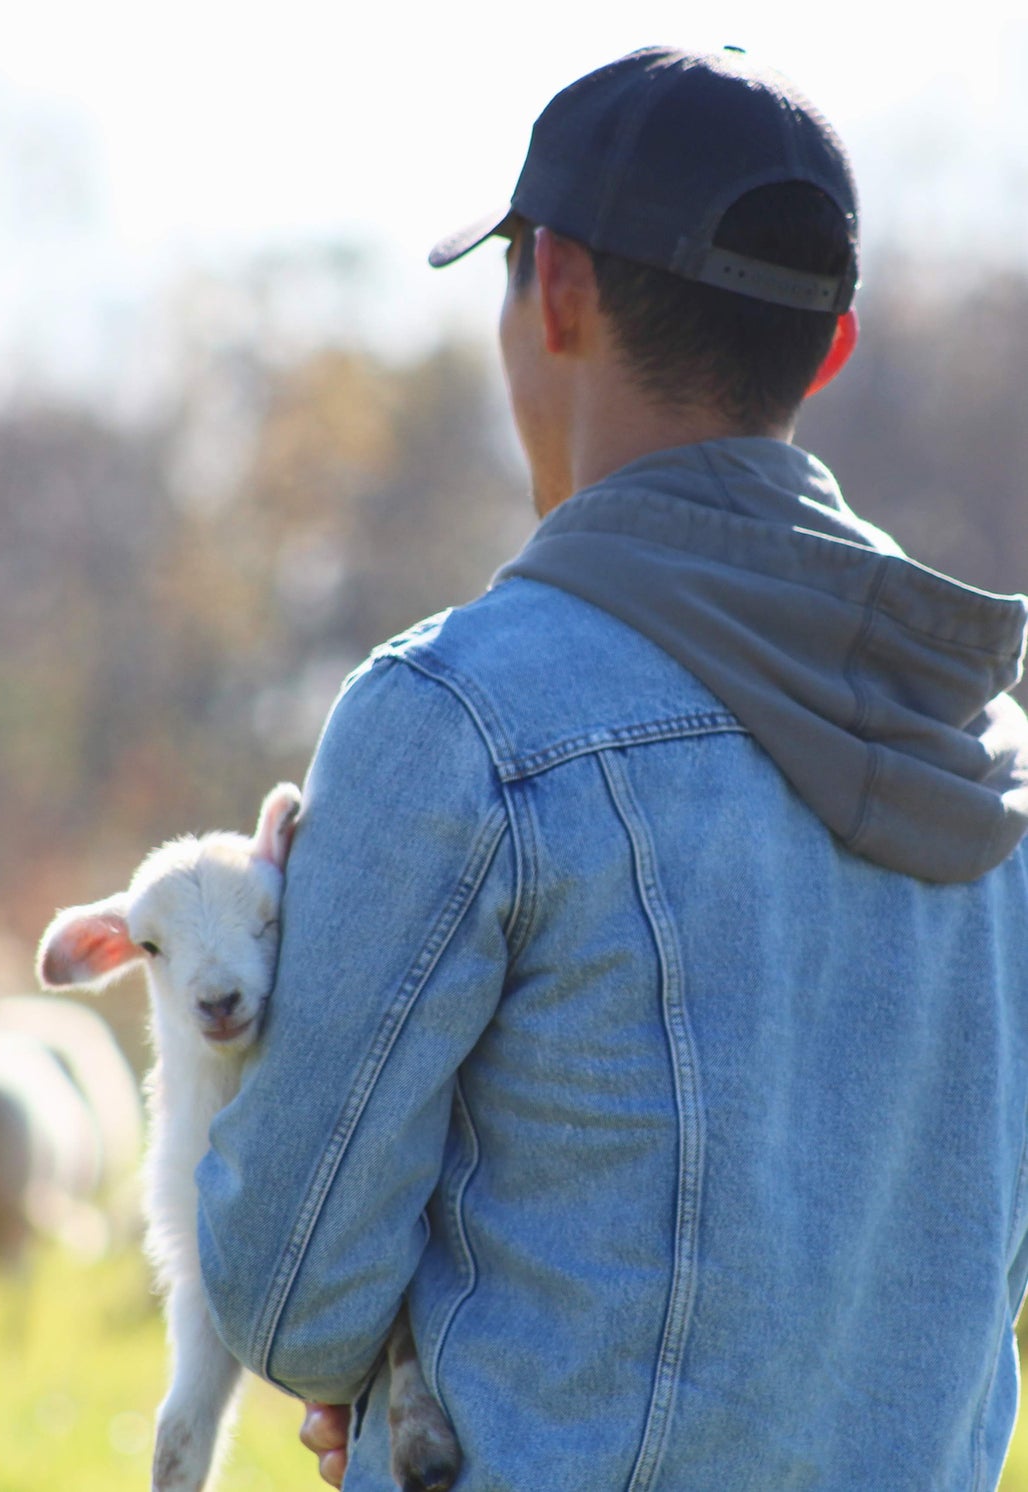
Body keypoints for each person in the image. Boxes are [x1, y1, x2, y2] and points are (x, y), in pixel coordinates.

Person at [195, 44, 1028, 1491]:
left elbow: (291, 1302)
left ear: (559, 288)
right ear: (829, 350)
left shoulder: (457, 718)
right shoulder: (996, 750)